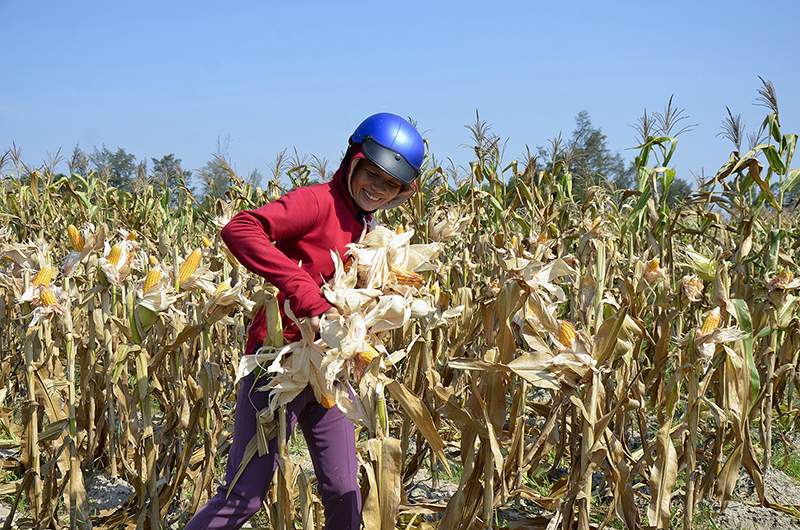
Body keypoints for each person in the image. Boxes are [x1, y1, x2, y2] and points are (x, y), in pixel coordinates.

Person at [184, 113, 425, 530]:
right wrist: (303, 290)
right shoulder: (318, 202)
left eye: (391, 184)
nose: (378, 188)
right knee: (244, 495)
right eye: (372, 174)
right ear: (353, 159)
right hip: (279, 362)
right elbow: (241, 229)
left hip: (329, 368)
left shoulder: (367, 222)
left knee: (345, 494)